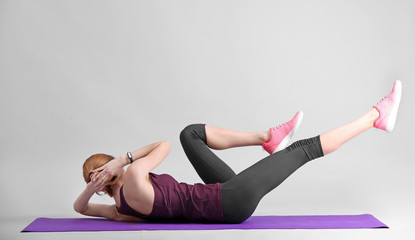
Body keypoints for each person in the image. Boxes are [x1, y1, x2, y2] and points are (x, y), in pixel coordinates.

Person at [74, 80, 402, 224]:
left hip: (219, 194)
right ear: (109, 174)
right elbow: (164, 146)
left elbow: (81, 207)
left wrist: (93, 183)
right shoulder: (131, 178)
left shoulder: (121, 209)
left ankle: (267, 137)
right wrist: (122, 159)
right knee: (303, 149)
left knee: (191, 135)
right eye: (98, 173)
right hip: (229, 202)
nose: (101, 174)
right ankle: (376, 117)